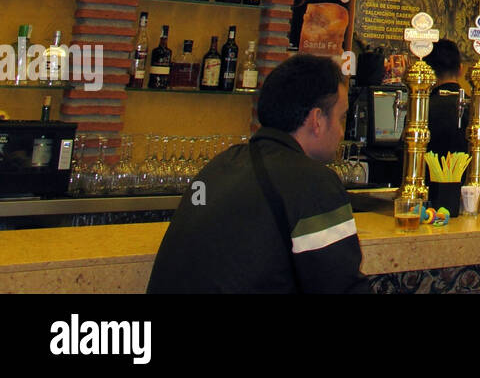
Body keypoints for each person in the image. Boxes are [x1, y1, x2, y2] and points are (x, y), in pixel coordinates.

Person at [148, 54, 368, 294]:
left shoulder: (221, 164)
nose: (341, 131)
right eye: (341, 117)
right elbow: (342, 286)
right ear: (316, 120)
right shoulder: (313, 182)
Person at [426, 39, 480, 175]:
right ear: (461, 70)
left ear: (429, 72)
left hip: (429, 191)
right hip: (471, 191)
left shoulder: (421, 110)